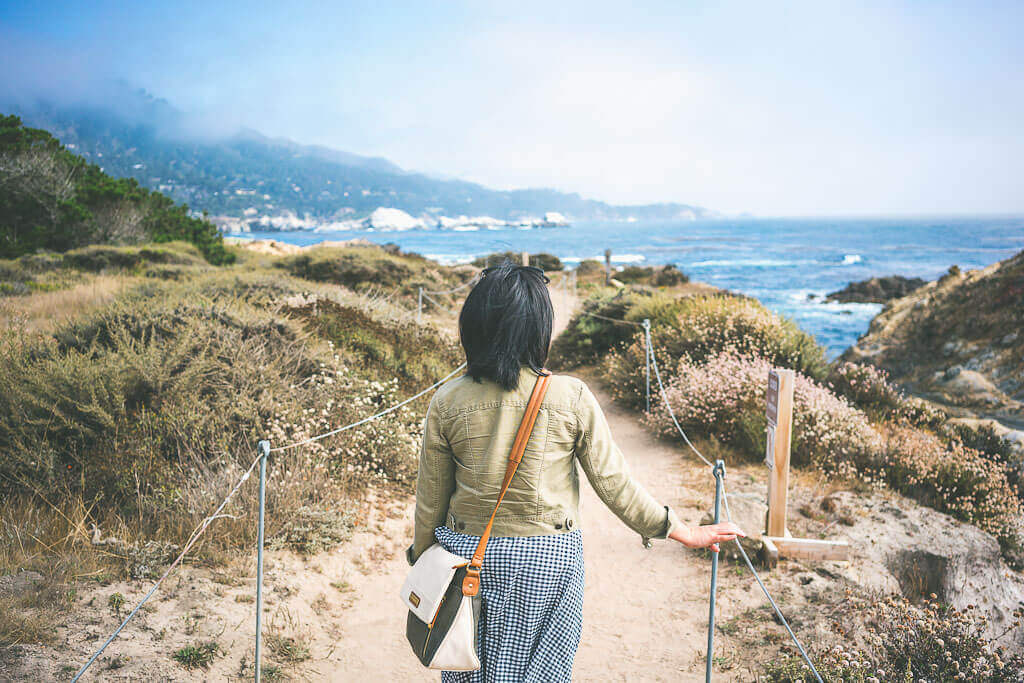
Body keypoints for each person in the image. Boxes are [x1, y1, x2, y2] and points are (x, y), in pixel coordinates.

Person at [406, 261, 744, 682]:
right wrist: (680, 531)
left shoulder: (447, 400)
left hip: (467, 559)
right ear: (538, 329)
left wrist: (422, 558)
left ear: (473, 326)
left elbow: (431, 499)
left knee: (467, 665)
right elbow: (614, 484)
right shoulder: (570, 395)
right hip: (549, 559)